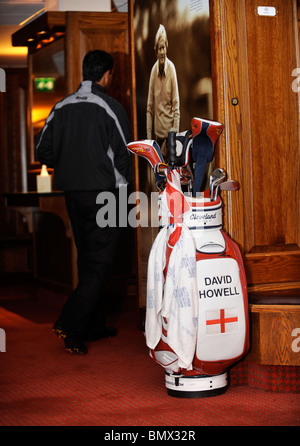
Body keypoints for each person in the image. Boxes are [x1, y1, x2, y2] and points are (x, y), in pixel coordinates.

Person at [36, 50, 132, 354]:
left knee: (88, 259)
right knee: (101, 264)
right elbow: (125, 155)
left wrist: (69, 167)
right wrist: (125, 199)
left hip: (73, 194)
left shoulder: (60, 106)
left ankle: (93, 325)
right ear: (107, 75)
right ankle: (70, 323)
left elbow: (43, 151)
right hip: (108, 195)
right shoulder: (111, 107)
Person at [146, 24, 180, 156]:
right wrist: (149, 141)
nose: (162, 52)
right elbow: (149, 108)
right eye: (159, 48)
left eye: (164, 47)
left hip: (170, 137)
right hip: (157, 139)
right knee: (158, 174)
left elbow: (176, 105)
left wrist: (174, 135)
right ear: (155, 49)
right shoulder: (153, 72)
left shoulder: (171, 69)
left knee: (171, 173)